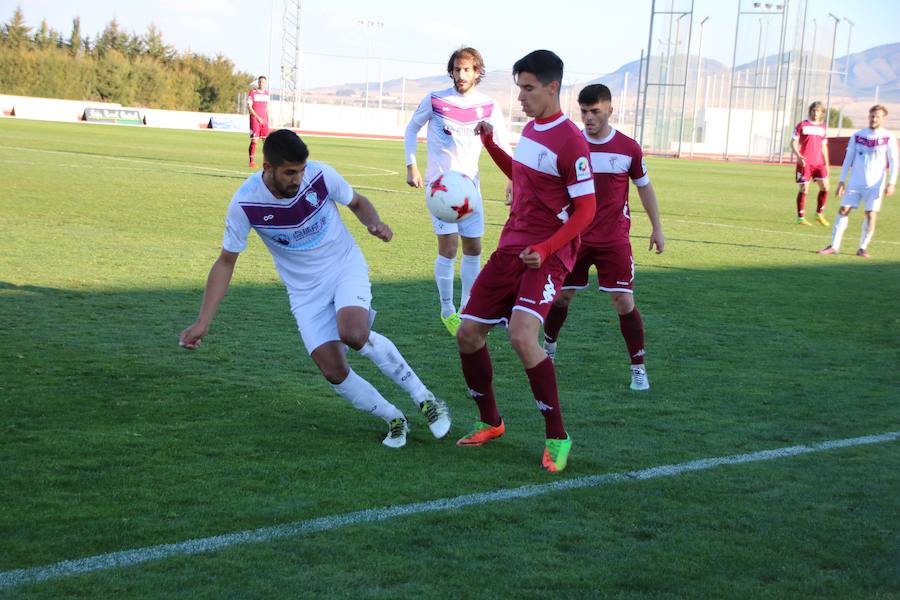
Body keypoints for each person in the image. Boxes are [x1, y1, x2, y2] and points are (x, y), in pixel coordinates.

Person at [180, 129, 450, 448]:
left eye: (301, 170)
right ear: (267, 168)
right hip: (305, 292)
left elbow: (358, 202)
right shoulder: (245, 203)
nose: (298, 179)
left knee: (353, 332)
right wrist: (203, 321)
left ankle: (424, 398)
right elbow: (226, 262)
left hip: (344, 266)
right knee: (333, 369)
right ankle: (393, 417)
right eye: (290, 172)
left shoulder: (321, 176)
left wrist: (373, 223)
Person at [455, 50, 597, 473]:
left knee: (521, 335)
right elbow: (521, 175)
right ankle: (490, 422)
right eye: (519, 87)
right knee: (467, 335)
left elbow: (586, 210)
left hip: (546, 257)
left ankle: (557, 436)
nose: (521, 96)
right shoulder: (534, 130)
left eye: (528, 88)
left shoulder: (572, 141)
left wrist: (550, 249)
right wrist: (489, 144)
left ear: (553, 88)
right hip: (510, 248)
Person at [541, 84, 664, 392]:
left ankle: (638, 368)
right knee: (561, 297)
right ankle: (549, 349)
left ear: (610, 109)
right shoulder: (570, 145)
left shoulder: (628, 148)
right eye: (584, 111)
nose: (589, 118)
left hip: (614, 240)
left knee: (623, 301)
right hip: (574, 237)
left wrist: (657, 227)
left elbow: (644, 187)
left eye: (595, 111)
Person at [404, 47, 512, 336]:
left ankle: (467, 307)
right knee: (449, 247)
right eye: (456, 69)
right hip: (441, 188)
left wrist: (511, 178)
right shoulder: (436, 99)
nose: (461, 74)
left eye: (467, 69)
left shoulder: (488, 106)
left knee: (474, 248)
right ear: (450, 71)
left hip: (470, 188)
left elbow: (501, 142)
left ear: (478, 72)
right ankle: (447, 309)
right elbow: (411, 129)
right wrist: (411, 166)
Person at [818, 105, 898, 258]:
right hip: (855, 181)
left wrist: (892, 182)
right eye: (872, 116)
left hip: (875, 183)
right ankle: (834, 246)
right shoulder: (858, 135)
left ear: (883, 118)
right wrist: (842, 181)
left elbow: (894, 161)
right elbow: (848, 159)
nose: (874, 119)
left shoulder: (888, 137)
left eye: (877, 116)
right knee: (843, 210)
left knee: (870, 214)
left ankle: (862, 247)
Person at [790, 101, 831, 226]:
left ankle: (819, 214)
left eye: (818, 110)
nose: (815, 112)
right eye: (813, 110)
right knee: (804, 189)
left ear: (822, 113)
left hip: (819, 163)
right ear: (810, 111)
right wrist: (799, 156)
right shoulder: (802, 125)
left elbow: (824, 147)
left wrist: (827, 164)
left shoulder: (823, 127)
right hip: (805, 162)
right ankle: (801, 217)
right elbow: (792, 142)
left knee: (825, 187)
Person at [248, 76, 270, 169]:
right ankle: (251, 161)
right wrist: (257, 118)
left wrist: (267, 120)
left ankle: (267, 162)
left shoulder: (267, 93)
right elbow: (249, 107)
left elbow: (267, 108)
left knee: (266, 142)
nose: (262, 84)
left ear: (265, 83)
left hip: (264, 121)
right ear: (258, 82)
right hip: (255, 119)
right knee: (254, 140)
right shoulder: (253, 93)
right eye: (260, 82)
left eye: (263, 82)